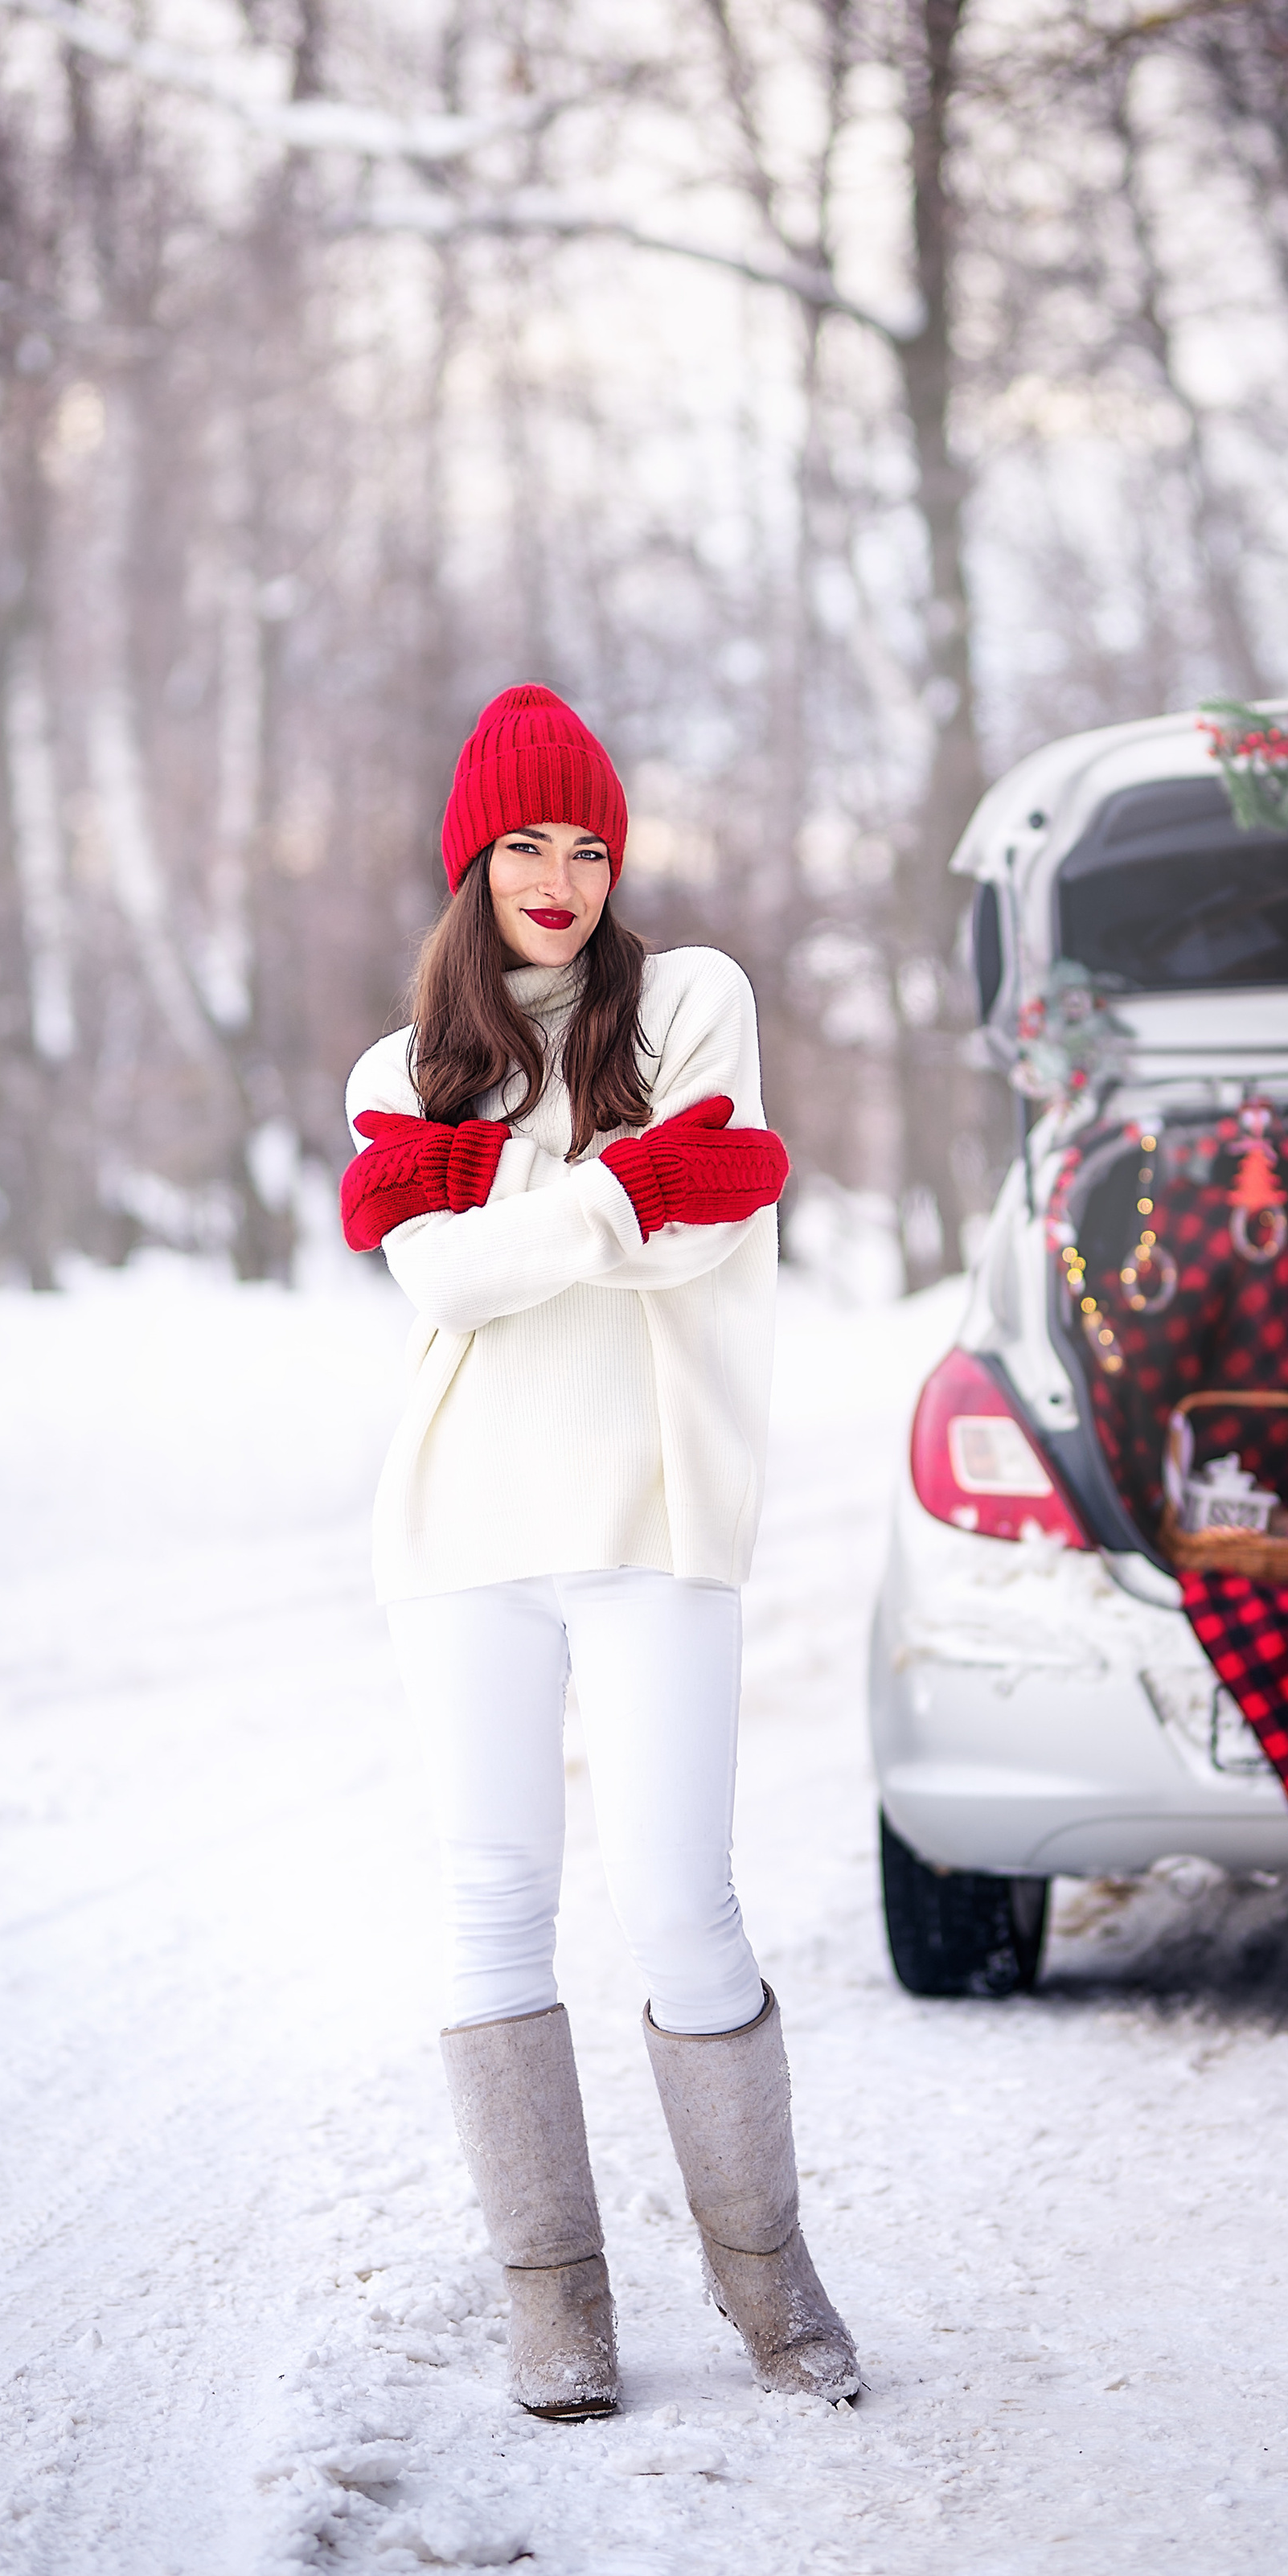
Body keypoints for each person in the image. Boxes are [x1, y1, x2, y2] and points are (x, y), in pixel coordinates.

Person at [340, 683, 860, 2423]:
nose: (559, 875)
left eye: (587, 844)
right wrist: (640, 1186)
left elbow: (668, 1264)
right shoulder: (396, 1070)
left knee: (677, 1906)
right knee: (491, 1902)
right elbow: (449, 1286)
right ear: (471, 859)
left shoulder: (694, 998)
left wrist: (518, 1214)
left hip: (652, 1513)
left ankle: (768, 2287)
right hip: (459, 1523)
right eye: (524, 843)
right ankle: (551, 2307)